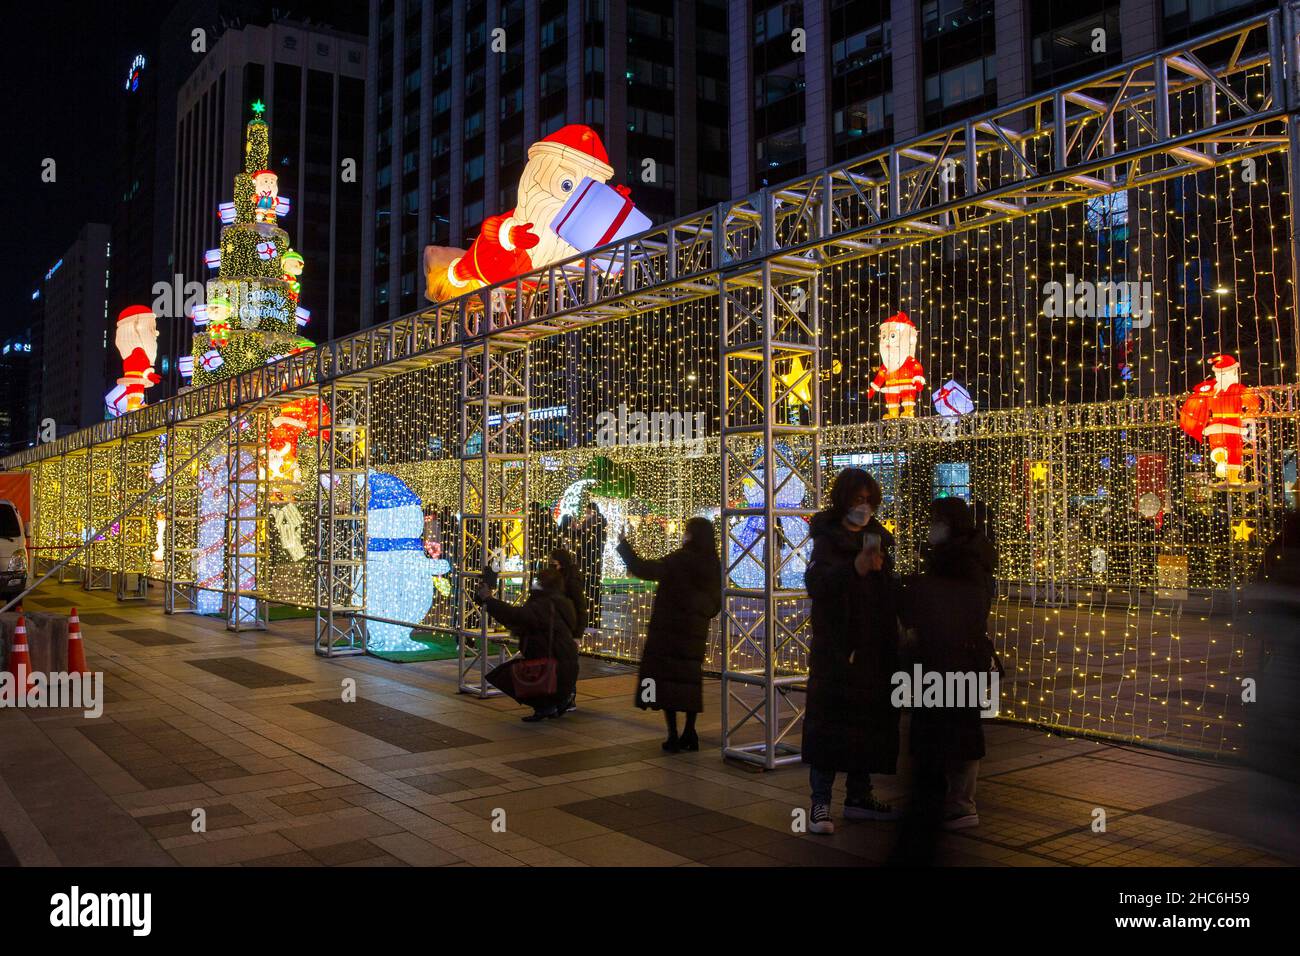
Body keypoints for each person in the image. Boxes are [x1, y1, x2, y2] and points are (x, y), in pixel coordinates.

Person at [803, 468, 901, 835]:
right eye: (857, 500)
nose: (863, 507)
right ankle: (820, 803)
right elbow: (817, 583)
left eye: (869, 501)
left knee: (865, 725)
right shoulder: (826, 540)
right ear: (843, 501)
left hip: (873, 652)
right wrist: (854, 568)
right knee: (828, 725)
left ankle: (860, 797)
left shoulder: (879, 540)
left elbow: (885, 594)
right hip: (836, 652)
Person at [899, 496, 998, 851]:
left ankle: (959, 804)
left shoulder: (962, 561)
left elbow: (956, 607)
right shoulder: (964, 555)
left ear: (951, 523)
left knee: (954, 728)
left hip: (952, 658)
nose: (931, 527)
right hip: (955, 658)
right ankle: (952, 802)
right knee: (953, 726)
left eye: (936, 520)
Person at [617, 516, 722, 752]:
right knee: (689, 681)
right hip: (694, 633)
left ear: (692, 535)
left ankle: (673, 734)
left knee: (665, 682)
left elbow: (645, 569)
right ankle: (690, 732)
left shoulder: (679, 559)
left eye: (686, 531)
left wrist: (624, 546)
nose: (683, 535)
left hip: (669, 631)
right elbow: (715, 601)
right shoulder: (713, 562)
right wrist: (699, 613)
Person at [473, 566, 578, 722]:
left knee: (505, 674)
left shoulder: (544, 604)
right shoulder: (563, 602)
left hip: (552, 668)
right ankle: (553, 703)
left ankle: (546, 704)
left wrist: (489, 599)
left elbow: (516, 616)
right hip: (567, 668)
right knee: (522, 668)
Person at [573, 501, 608, 631]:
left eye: (588, 512)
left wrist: (580, 530)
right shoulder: (590, 525)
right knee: (587, 592)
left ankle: (591, 622)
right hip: (587, 562)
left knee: (591, 591)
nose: (586, 515)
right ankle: (588, 622)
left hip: (592, 562)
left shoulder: (597, 524)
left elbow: (589, 544)